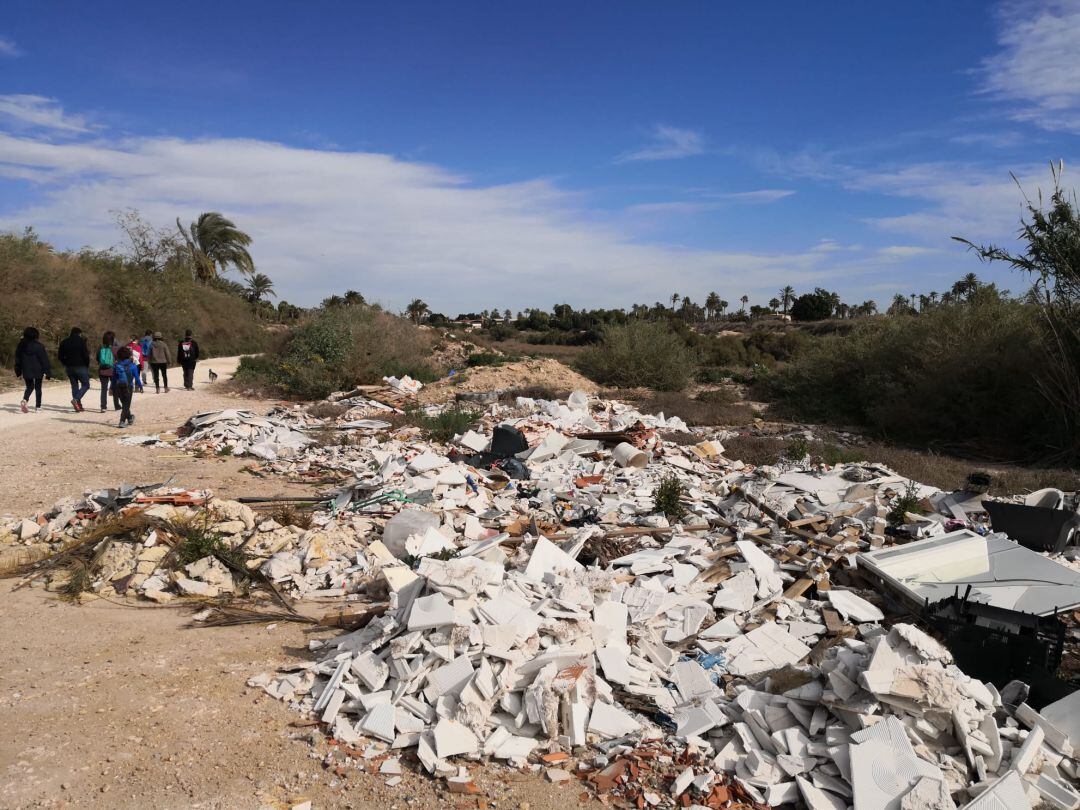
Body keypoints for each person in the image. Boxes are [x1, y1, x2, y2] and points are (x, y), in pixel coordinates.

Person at [14, 327, 51, 413]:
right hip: (38, 370)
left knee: (29, 386)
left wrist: (18, 371)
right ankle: (38, 407)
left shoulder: (21, 346)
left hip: (26, 369)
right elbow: (44, 360)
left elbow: (17, 359)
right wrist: (47, 372)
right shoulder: (39, 346)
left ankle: (25, 400)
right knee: (38, 388)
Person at [57, 327, 91, 412]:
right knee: (86, 385)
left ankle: (78, 405)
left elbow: (60, 356)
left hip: (69, 367)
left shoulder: (64, 342)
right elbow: (86, 356)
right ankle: (76, 399)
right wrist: (86, 365)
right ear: (79, 333)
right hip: (80, 366)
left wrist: (65, 363)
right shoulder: (82, 342)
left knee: (74, 385)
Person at [112, 346, 141, 427]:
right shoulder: (133, 365)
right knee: (126, 405)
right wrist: (140, 386)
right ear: (129, 355)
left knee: (124, 403)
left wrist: (111, 388)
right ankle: (122, 421)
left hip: (118, 386)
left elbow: (113, 378)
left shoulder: (116, 365)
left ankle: (130, 418)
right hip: (129, 387)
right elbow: (137, 378)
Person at [97, 331, 121, 413]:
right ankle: (117, 405)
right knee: (114, 387)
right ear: (113, 339)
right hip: (112, 371)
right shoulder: (115, 349)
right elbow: (119, 359)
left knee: (103, 389)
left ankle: (103, 407)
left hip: (102, 371)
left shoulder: (101, 348)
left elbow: (98, 359)